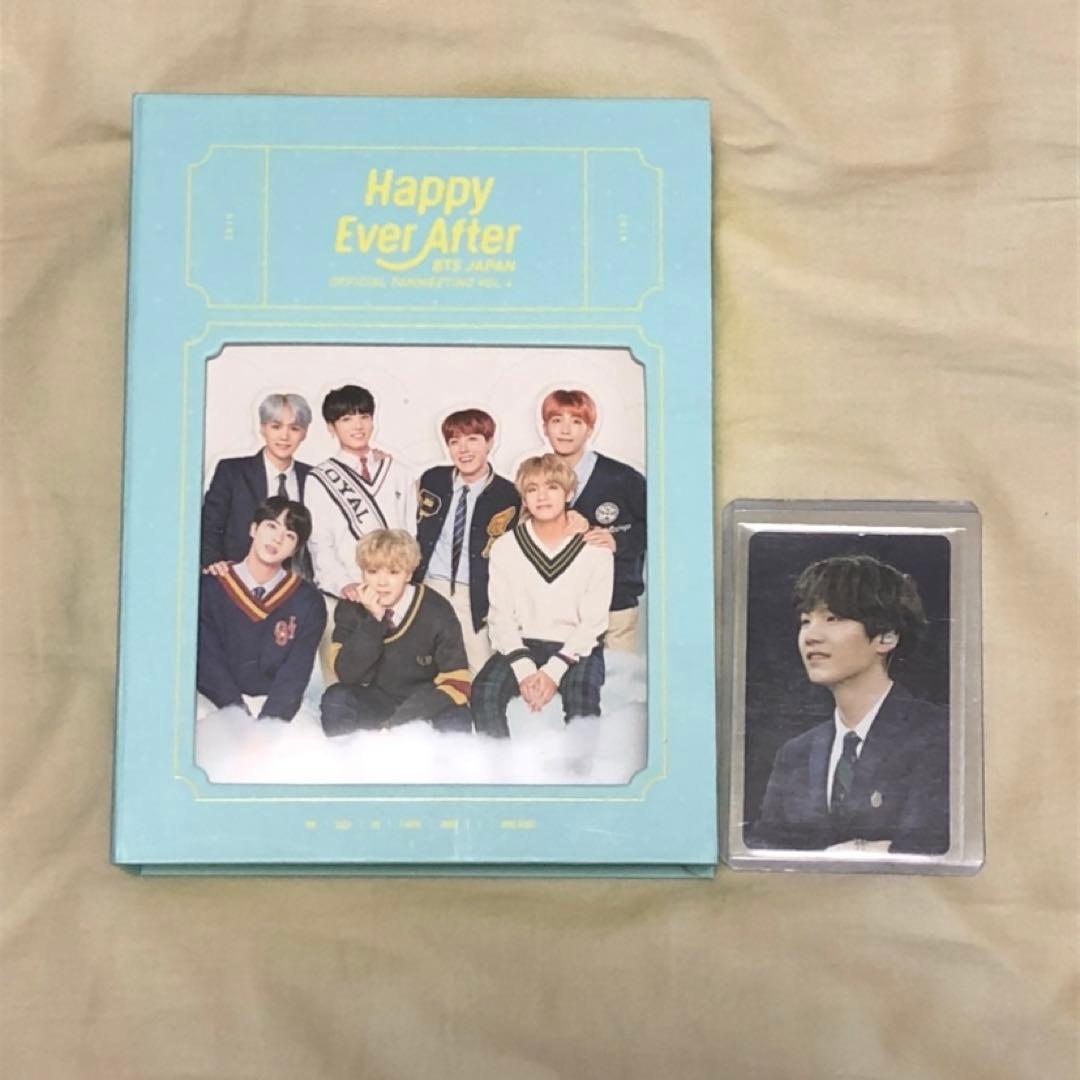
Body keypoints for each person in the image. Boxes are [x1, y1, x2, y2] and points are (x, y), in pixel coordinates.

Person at [749, 554, 949, 855]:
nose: (811, 636)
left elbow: (933, 849)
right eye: (805, 621)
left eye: (833, 618)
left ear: (887, 636)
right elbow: (764, 853)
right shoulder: (796, 754)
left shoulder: (939, 736)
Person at [471, 454, 614, 738]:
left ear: (569, 494)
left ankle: (580, 767)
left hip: (577, 647)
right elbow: (501, 616)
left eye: (552, 487)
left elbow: (593, 623)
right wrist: (525, 670)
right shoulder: (506, 547)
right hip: (523, 642)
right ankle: (500, 764)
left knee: (583, 702)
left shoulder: (596, 549)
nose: (542, 496)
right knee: (484, 692)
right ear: (524, 499)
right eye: (532, 489)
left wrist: (553, 672)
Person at [320, 530, 473, 735]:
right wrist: (374, 621)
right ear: (362, 573)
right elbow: (346, 675)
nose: (382, 582)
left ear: (408, 574)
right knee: (336, 700)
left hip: (426, 704)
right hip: (378, 699)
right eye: (373, 571)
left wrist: (398, 723)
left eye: (393, 572)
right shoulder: (351, 607)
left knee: (457, 722)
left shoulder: (437, 610)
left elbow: (457, 682)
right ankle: (353, 755)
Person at [197, 497, 325, 722]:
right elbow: (208, 662)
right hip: (214, 703)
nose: (278, 539)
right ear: (253, 529)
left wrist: (267, 725)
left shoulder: (309, 601)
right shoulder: (210, 586)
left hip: (275, 709)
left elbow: (295, 674)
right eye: (271, 526)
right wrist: (238, 715)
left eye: (290, 535)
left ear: (296, 549)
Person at [414, 408, 519, 674]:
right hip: (429, 586)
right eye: (454, 441)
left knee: (480, 667)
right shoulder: (432, 479)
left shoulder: (508, 494)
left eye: (473, 439)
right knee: (424, 663)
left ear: (490, 442)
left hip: (476, 592)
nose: (464, 449)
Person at [541, 388, 645, 651]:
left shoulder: (623, 478)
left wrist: (619, 541)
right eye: (557, 421)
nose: (565, 430)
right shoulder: (535, 476)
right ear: (545, 428)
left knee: (617, 673)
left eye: (576, 422)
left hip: (614, 606)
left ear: (590, 429)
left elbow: (661, 527)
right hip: (558, 610)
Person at [305, 384, 417, 601]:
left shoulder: (398, 471)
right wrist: (343, 584)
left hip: (397, 591)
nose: (358, 426)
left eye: (364, 417)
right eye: (346, 419)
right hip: (349, 591)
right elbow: (320, 543)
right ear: (331, 427)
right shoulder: (320, 478)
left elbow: (411, 534)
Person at [200, 392, 313, 571]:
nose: (284, 436)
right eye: (276, 426)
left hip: (298, 579)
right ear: (262, 428)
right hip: (236, 576)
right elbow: (210, 525)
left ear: (304, 433)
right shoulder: (232, 472)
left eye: (294, 428)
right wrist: (213, 563)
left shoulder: (313, 477)